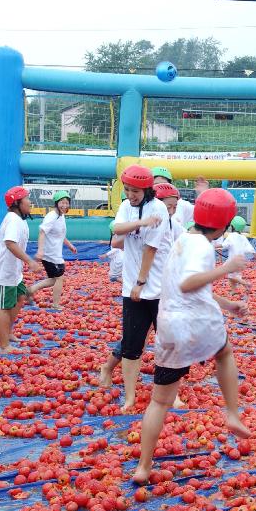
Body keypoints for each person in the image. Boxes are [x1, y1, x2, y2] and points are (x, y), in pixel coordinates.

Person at [131, 189, 251, 484]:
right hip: (196, 322)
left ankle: (143, 468)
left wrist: (227, 304)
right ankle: (233, 412)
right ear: (223, 226)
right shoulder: (204, 247)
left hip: (170, 325)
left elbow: (189, 287)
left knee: (159, 402)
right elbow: (188, 284)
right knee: (224, 353)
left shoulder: (182, 240)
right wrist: (228, 268)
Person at [98, 165, 180, 411]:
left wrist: (141, 283)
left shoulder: (159, 210)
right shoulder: (128, 207)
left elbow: (150, 250)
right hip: (131, 287)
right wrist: (141, 222)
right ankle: (130, 397)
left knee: (168, 343)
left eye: (135, 191)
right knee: (132, 346)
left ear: (147, 190)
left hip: (158, 289)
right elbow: (115, 230)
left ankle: (170, 393)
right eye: (127, 190)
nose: (130, 195)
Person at [0, 186, 42, 354]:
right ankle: (4, 346)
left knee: (20, 297)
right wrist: (30, 262)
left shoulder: (19, 220)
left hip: (13, 271)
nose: (30, 202)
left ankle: (8, 332)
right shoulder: (13, 220)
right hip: (5, 271)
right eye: (27, 199)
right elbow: (10, 243)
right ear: (18, 203)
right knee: (4, 307)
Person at [30, 190, 77, 309]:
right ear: (56, 203)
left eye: (67, 203)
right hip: (50, 255)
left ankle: (30, 290)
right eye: (62, 202)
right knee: (59, 279)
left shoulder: (61, 216)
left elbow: (60, 234)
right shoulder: (52, 216)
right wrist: (40, 251)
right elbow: (42, 232)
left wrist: (69, 245)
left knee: (53, 280)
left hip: (55, 254)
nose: (64, 205)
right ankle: (55, 305)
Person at [219, 215, 255, 290]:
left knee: (230, 276)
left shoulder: (231, 236)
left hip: (233, 261)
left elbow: (225, 245)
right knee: (234, 276)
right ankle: (234, 290)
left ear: (232, 227)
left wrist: (216, 246)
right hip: (241, 261)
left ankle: (245, 283)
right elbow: (250, 248)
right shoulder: (243, 237)